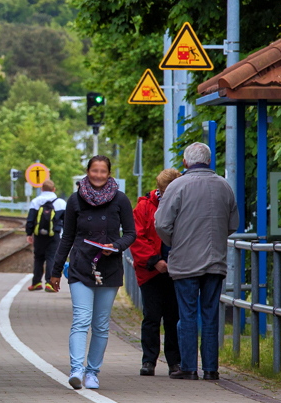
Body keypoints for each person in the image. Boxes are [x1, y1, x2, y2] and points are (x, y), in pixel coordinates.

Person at [154, 142, 239, 381]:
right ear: (209, 161)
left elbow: (161, 224)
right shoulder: (224, 186)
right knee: (211, 313)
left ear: (184, 162)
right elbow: (233, 224)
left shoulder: (177, 186)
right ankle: (211, 369)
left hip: (185, 262)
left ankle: (189, 367)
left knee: (187, 314)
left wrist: (175, 241)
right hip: (216, 262)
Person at [51, 155, 135, 390]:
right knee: (81, 320)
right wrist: (56, 271)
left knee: (100, 325)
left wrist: (115, 246)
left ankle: (92, 372)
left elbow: (130, 233)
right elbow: (67, 237)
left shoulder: (120, 200)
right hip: (81, 268)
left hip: (109, 270)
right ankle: (76, 370)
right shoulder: (75, 201)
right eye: (94, 171)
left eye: (103, 171)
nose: (98, 175)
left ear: (109, 173)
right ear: (87, 172)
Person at [129, 168, 182, 376]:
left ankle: (174, 363)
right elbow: (136, 237)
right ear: (160, 189)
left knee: (173, 318)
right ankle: (149, 360)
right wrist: (155, 260)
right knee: (151, 317)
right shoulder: (144, 207)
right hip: (150, 272)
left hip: (176, 270)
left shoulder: (182, 204)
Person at [25, 179, 66, 292]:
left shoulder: (36, 201)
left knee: (38, 258)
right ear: (54, 189)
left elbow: (30, 219)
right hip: (54, 235)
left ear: (42, 189)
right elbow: (67, 221)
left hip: (39, 235)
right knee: (51, 257)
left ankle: (36, 283)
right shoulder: (61, 203)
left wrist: (29, 233)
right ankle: (50, 283)